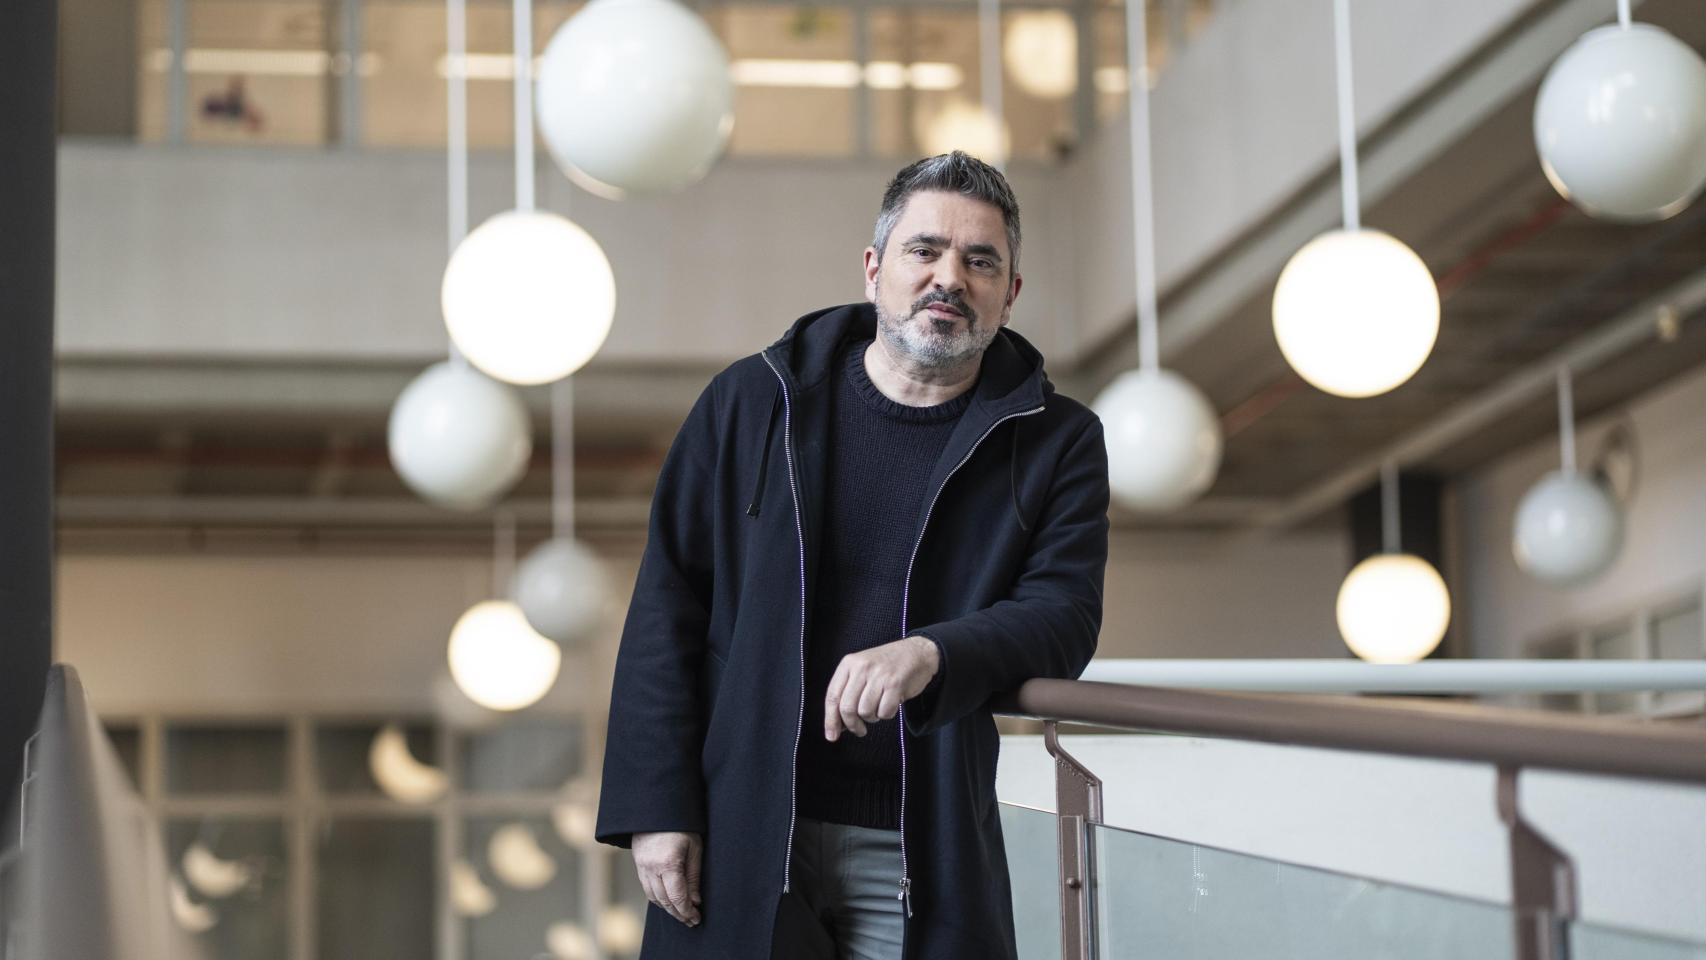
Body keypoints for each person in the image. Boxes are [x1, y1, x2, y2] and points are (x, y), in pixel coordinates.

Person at [595, 151, 1110, 960]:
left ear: (1010, 293)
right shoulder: (752, 402)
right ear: (874, 269)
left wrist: (931, 652)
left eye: (980, 262)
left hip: (921, 838)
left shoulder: (1059, 440)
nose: (949, 278)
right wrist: (657, 808)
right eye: (924, 251)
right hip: (746, 827)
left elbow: (1064, 615)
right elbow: (668, 607)